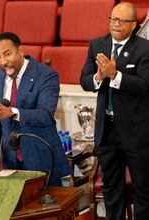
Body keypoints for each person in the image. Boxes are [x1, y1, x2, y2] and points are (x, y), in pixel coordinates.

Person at [80, 2, 149, 220]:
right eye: (113, 19)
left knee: (143, 191)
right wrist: (99, 77)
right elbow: (84, 80)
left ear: (134, 25)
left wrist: (115, 75)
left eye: (122, 20)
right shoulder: (97, 44)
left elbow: (144, 85)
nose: (116, 24)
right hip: (106, 131)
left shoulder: (145, 48)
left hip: (136, 133)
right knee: (112, 189)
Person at [0, 32, 71, 185]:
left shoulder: (46, 75)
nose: (3, 61)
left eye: (7, 54)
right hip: (10, 164)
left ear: (20, 51)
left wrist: (12, 113)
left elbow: (45, 115)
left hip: (43, 161)